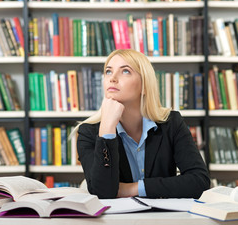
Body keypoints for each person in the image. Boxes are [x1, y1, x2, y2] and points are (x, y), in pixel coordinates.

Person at [75, 49, 210, 199]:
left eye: (125, 71)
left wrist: (133, 188)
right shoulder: (88, 133)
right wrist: (107, 129)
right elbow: (103, 192)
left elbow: (200, 181)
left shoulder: (171, 123)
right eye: (108, 71)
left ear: (145, 85)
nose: (112, 78)